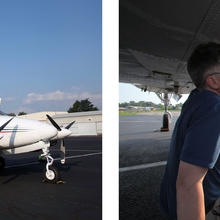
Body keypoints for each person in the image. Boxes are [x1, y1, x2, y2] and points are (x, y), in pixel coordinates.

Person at [160, 42, 220, 220]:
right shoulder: (214, 108)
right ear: (214, 81)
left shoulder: (197, 100)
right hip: (207, 206)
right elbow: (188, 184)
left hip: (170, 204)